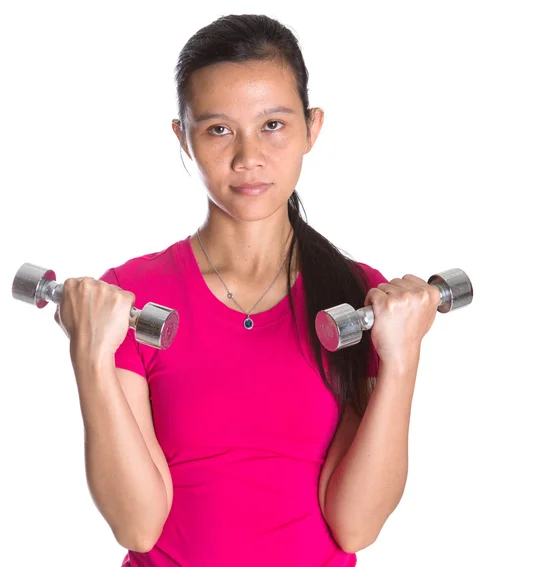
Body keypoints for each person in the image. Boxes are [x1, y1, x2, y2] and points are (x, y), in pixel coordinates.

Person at [55, 13, 440, 567]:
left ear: (312, 127)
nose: (247, 157)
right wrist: (90, 358)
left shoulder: (359, 299)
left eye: (273, 125)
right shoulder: (130, 298)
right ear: (181, 139)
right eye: (217, 129)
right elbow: (138, 526)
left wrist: (401, 362)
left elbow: (355, 526)